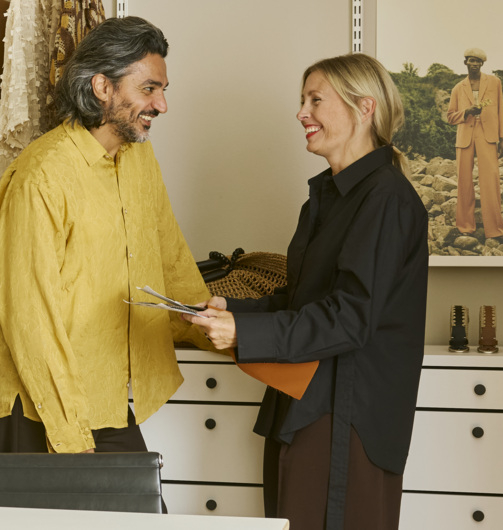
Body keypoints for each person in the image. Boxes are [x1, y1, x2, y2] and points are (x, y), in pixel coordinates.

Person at [182, 54, 429, 530]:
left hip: (345, 417)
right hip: (305, 406)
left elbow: (349, 318)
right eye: (302, 101)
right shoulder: (329, 199)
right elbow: (305, 301)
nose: (301, 113)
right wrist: (230, 309)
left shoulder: (386, 200)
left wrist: (245, 333)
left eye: (316, 100)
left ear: (364, 108)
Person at [0, 17, 218, 455]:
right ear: (103, 88)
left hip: (103, 392)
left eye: (163, 90)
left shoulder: (139, 159)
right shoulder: (42, 176)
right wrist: (69, 434)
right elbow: (29, 316)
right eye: (149, 89)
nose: (162, 105)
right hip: (41, 405)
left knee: (143, 518)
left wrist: (213, 329)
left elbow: (170, 257)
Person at [445, 47, 503, 237]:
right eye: (471, 60)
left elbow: (501, 111)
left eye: (478, 61)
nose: (474, 64)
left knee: (490, 180)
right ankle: (465, 226)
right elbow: (450, 117)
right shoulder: (458, 88)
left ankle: (494, 229)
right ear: (465, 62)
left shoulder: (494, 82)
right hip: (465, 137)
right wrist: (467, 112)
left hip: (488, 136)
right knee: (464, 182)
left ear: (482, 64)